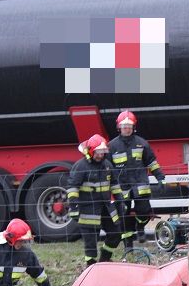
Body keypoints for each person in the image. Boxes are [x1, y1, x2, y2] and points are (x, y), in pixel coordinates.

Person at [107, 110, 166, 254]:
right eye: (124, 126)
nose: (127, 128)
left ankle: (140, 227)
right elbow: (107, 168)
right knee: (123, 216)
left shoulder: (142, 143)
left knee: (144, 211)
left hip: (140, 184)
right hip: (121, 187)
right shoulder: (111, 146)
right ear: (119, 127)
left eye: (129, 126)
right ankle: (128, 245)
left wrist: (160, 177)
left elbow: (151, 162)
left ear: (133, 127)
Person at [67, 134, 123, 266]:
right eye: (98, 152)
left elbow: (114, 184)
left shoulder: (107, 165)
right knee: (91, 242)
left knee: (115, 234)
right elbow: (73, 188)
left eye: (103, 152)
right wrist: (74, 207)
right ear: (91, 151)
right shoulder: (80, 166)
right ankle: (90, 266)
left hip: (106, 208)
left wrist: (120, 201)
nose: (100, 155)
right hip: (88, 210)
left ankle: (104, 260)